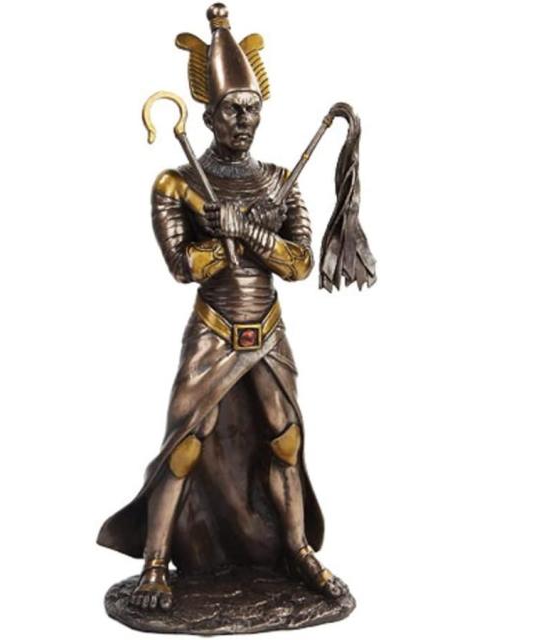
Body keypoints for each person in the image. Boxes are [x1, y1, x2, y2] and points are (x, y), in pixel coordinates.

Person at [97, 3, 348, 611]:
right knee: (186, 444)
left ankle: (296, 549)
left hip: (268, 329)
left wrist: (251, 231)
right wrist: (215, 236)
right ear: (208, 115)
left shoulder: (280, 180)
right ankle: (156, 564)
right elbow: (183, 267)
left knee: (285, 441)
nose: (244, 119)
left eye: (252, 107)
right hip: (213, 328)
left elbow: (299, 264)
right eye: (232, 109)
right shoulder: (177, 183)